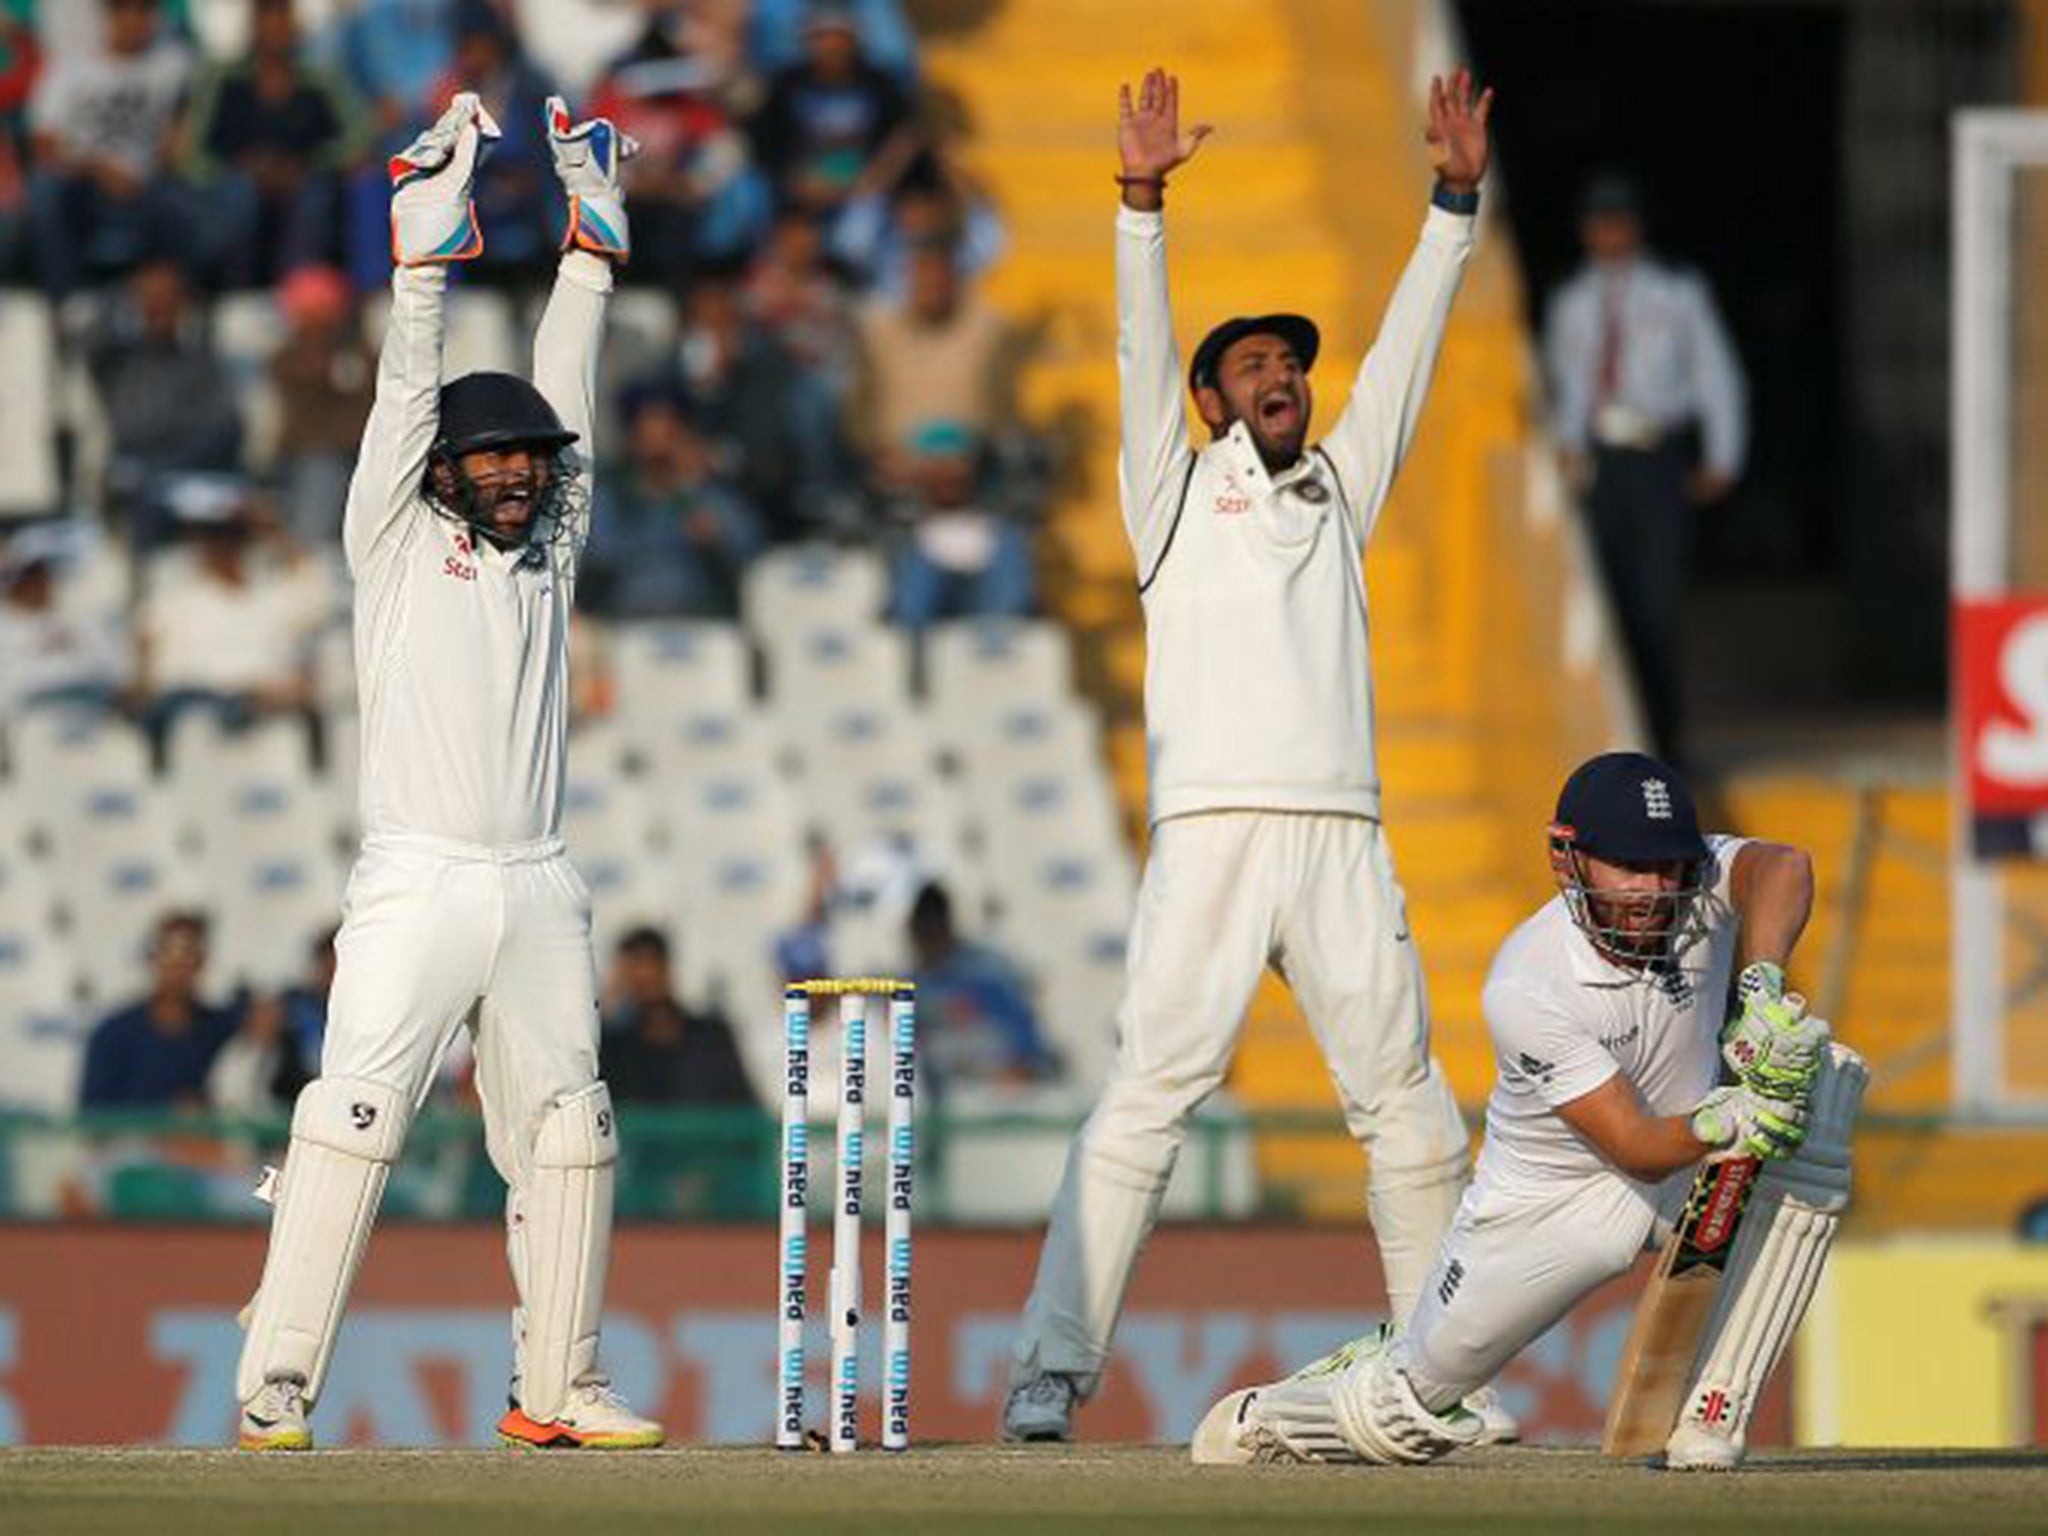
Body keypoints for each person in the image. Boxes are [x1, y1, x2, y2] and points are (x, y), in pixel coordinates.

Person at [1000, 67, 1498, 1445]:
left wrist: (1455, 205)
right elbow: (1135, 356)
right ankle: (1051, 1367)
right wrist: (1142, 202)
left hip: (1342, 834)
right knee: (1148, 1101)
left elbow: (1405, 354)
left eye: (1290, 363)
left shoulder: (1342, 487)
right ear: (1217, 403)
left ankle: (1437, 1374)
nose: (1281, 376)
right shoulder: (1172, 494)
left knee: (1405, 1108)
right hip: (1213, 834)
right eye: (1253, 368)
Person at [233, 92, 664, 1453]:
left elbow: (572, 393)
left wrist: (591, 252)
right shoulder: (396, 541)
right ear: (444, 472)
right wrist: (423, 260)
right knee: (353, 1118)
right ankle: (277, 1382)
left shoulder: (554, 547)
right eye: (494, 458)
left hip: (537, 881)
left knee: (572, 1134)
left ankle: (557, 1387)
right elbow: (405, 392)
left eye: (530, 460)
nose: (522, 476)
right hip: (416, 877)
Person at [1190, 752, 1862, 1473]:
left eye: (1670, 866)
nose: (1656, 888)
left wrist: (1760, 987)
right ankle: (1268, 1417)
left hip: (1685, 1161)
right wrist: (1719, 1122)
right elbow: (1631, 1144)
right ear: (1566, 858)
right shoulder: (1528, 983)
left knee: (1824, 1088)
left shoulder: (1694, 887)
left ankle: (1712, 1415)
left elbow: (1784, 865)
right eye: (1630, 867)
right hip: (1553, 1199)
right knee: (1419, 1409)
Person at [1541, 174, 1747, 763]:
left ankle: (1663, 743)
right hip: (1600, 461)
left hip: (1657, 454)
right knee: (1609, 602)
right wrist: (1567, 450)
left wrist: (1722, 455)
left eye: (1619, 220)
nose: (1609, 233)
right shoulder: (1571, 303)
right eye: (1598, 221)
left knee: (1658, 605)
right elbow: (1566, 388)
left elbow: (1715, 374)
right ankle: (1615, 743)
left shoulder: (1677, 294)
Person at [183, 0, 366, 287]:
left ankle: (299, 294)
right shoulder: (223, 80)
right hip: (236, 185)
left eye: (283, 21)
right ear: (253, 28)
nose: (276, 31)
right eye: (267, 21)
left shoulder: (321, 80)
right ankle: (238, 291)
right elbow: (193, 154)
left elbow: (359, 138)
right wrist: (243, 171)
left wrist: (310, 164)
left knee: (314, 197)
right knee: (237, 197)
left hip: (307, 179)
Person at [24, 0, 194, 295]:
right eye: (128, 9)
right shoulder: (69, 70)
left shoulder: (175, 66)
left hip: (151, 186)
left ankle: (176, 303)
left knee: (183, 200)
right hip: (83, 186)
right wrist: (98, 169)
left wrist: (152, 169)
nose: (137, 20)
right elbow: (44, 149)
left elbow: (183, 138)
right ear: (110, 14)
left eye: (146, 11)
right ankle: (66, 300)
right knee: (45, 192)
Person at [580, 381, 763, 620]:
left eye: (670, 434)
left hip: (701, 627)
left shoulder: (714, 499)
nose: (661, 447)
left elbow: (751, 559)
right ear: (632, 441)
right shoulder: (611, 499)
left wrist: (712, 539)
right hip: (627, 627)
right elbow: (599, 561)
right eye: (648, 436)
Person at [905, 881, 1055, 1094]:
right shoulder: (912, 986)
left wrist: (1022, 1067)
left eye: (933, 928)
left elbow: (1023, 1035)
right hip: (942, 1095)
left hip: (998, 1089)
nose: (928, 938)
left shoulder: (986, 973)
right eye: (922, 931)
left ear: (946, 925)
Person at [79, 912, 241, 1110]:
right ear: (153, 959)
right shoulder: (114, 1034)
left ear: (202, 961)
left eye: (189, 955)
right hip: (130, 1140)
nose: (179, 968)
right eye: (169, 954)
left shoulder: (222, 1028)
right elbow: (93, 1119)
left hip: (210, 1140)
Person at [886, 420, 1034, 628]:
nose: (946, 474)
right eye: (937, 464)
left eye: (954, 463)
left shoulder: (1003, 530)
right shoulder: (898, 529)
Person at [599, 927, 755, 1107]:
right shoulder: (616, 1050)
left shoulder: (712, 1038)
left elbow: (743, 1109)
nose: (646, 975)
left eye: (651, 963)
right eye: (634, 968)